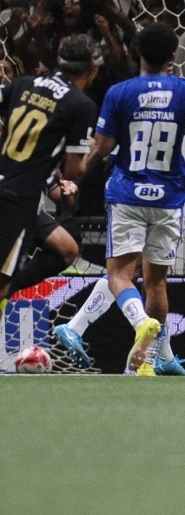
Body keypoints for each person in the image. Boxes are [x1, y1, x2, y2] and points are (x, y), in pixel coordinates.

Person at [80, 23, 185, 375]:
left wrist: (78, 171)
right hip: (169, 198)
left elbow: (103, 147)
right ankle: (149, 360)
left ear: (138, 55)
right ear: (172, 57)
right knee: (158, 282)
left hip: (128, 195)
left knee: (119, 274)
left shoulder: (120, 91)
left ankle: (139, 326)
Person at [0, 35, 98, 364]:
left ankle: (11, 284)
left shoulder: (22, 84)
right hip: (15, 200)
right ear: (93, 69)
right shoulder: (79, 105)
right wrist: (95, 154)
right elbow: (74, 170)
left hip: (22, 195)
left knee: (67, 248)